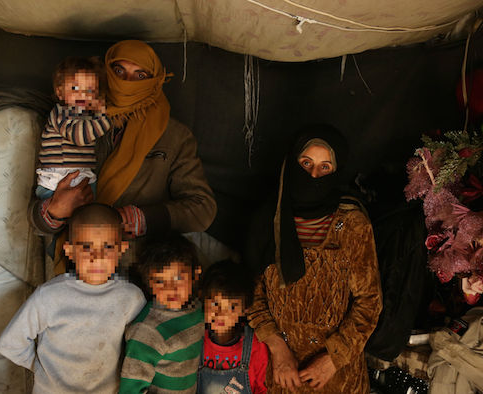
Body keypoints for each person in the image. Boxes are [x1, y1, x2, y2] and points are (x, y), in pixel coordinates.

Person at [29, 40, 216, 244]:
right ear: (105, 73)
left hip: (140, 260)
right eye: (119, 71)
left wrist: (137, 219)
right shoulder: (77, 119)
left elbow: (202, 209)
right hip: (75, 255)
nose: (127, 81)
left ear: (154, 82)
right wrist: (54, 211)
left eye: (140, 75)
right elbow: (33, 214)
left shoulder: (175, 136)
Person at [246, 125, 382, 393]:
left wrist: (334, 358)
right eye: (306, 163)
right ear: (292, 162)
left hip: (338, 376)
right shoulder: (269, 220)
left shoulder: (351, 223)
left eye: (325, 167)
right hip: (283, 373)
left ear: (336, 171)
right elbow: (251, 292)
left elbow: (370, 302)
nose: (313, 175)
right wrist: (277, 348)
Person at [0, 204, 146, 393]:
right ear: (70, 250)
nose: (97, 257)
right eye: (86, 247)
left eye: (107, 247)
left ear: (121, 250)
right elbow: (10, 343)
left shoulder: (131, 298)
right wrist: (42, 369)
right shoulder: (49, 296)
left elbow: (141, 349)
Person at [120, 234, 204, 393]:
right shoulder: (147, 331)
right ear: (148, 283)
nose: (170, 289)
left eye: (178, 278)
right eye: (160, 281)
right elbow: (130, 388)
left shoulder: (196, 308)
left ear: (195, 275)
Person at [35, 57, 111, 200]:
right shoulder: (60, 112)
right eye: (75, 88)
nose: (82, 95)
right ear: (60, 92)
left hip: (84, 176)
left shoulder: (88, 116)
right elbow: (78, 137)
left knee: (89, 213)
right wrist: (103, 118)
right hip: (56, 179)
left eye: (89, 90)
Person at [198, 260, 269, 394]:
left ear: (245, 309)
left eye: (231, 307)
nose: (220, 314)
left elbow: (261, 388)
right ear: (203, 299)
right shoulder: (195, 338)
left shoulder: (255, 345)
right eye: (215, 304)